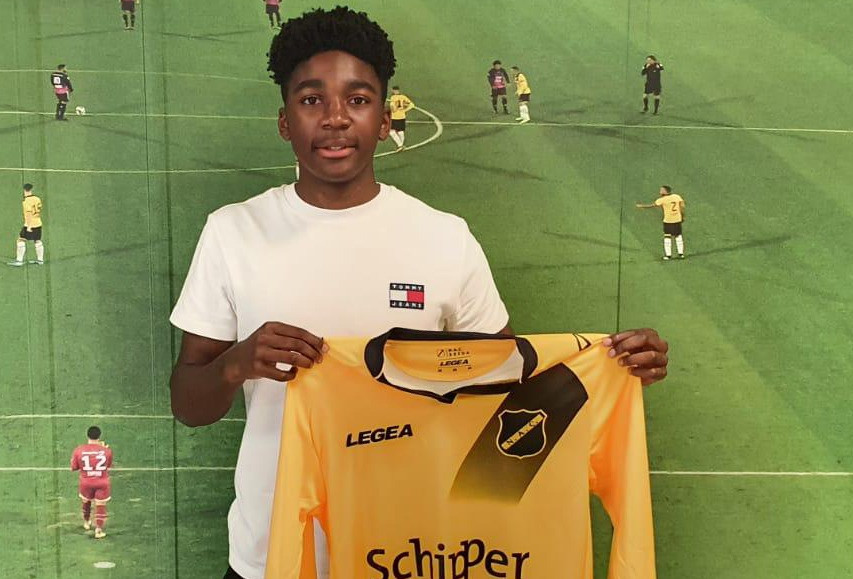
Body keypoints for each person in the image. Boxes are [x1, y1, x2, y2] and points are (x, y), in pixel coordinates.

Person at [169, 7, 670, 579]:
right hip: (269, 557)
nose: (335, 118)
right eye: (311, 100)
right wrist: (237, 363)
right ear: (285, 121)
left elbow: (509, 395)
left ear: (385, 119)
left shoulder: (443, 238)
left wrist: (610, 367)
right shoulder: (233, 232)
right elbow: (188, 403)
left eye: (358, 99)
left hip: (409, 555)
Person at [70, 426, 113, 539]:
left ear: (87, 436)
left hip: (86, 482)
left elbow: (74, 467)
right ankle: (98, 530)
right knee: (100, 505)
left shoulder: (79, 450)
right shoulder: (107, 451)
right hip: (102, 482)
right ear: (99, 436)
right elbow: (108, 466)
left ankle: (86, 522)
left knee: (86, 501)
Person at [636, 185, 686, 260]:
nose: (660, 191)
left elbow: (652, 205)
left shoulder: (662, 200)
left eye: (661, 190)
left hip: (668, 220)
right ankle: (681, 254)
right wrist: (683, 216)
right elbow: (682, 206)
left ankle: (668, 255)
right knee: (678, 236)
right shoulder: (677, 196)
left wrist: (641, 206)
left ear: (665, 191)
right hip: (677, 219)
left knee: (667, 237)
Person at [8, 183, 45, 266]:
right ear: (31, 189)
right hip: (38, 223)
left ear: (24, 190)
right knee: (37, 240)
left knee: (21, 240)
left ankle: (19, 261)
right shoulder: (37, 199)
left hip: (30, 224)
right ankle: (40, 260)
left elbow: (29, 214)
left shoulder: (26, 201)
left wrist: (29, 226)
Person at [388, 85, 414, 151]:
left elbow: (392, 107)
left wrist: (392, 109)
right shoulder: (403, 97)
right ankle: (402, 146)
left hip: (394, 117)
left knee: (391, 132)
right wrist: (405, 110)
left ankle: (400, 145)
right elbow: (412, 105)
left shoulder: (393, 97)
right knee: (400, 131)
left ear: (393, 90)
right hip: (402, 116)